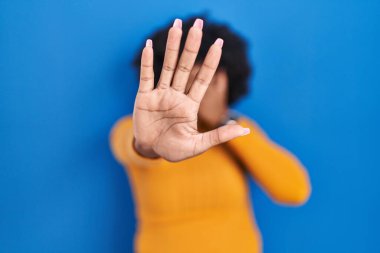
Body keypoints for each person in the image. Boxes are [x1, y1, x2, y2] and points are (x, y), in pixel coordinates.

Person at [110, 16, 311, 253]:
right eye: (190, 80)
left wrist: (221, 120)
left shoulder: (237, 130)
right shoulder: (135, 128)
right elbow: (135, 147)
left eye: (209, 80)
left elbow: (294, 190)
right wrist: (149, 145)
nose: (201, 91)